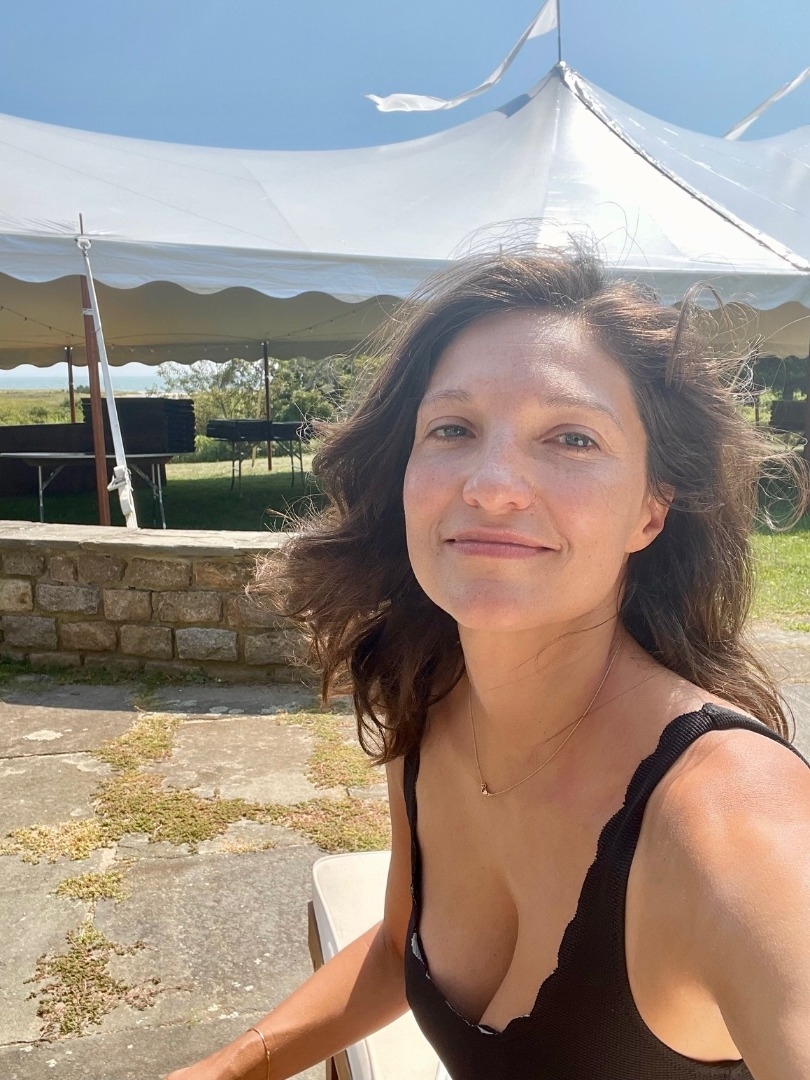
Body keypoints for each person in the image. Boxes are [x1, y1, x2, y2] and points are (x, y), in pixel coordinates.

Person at [166, 245, 810, 1080]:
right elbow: (400, 944)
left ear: (650, 512)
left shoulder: (734, 825)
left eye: (572, 437)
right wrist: (224, 1069)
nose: (492, 482)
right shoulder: (429, 699)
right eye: (453, 429)